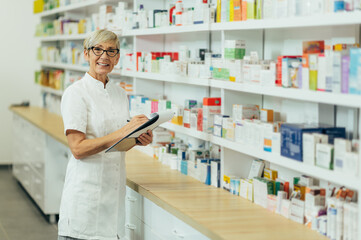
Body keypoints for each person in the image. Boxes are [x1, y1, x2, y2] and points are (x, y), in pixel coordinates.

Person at [58, 29, 153, 240]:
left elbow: (116, 142)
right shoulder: (76, 93)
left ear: (118, 57)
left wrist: (137, 138)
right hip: (85, 200)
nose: (104, 57)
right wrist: (124, 131)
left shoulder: (119, 94)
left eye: (111, 51)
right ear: (86, 54)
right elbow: (78, 149)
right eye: (97, 50)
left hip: (113, 200)